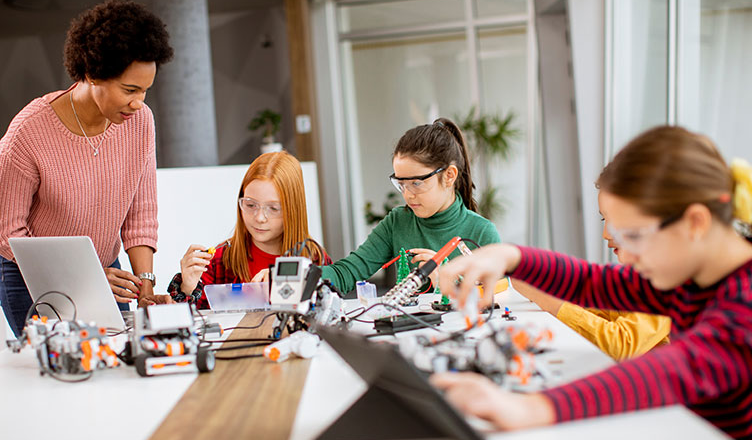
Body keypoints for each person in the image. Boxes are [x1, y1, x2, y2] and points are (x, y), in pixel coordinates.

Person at [433, 126, 752, 440]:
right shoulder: (690, 277)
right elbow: (593, 282)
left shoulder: (745, 305)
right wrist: (512, 256)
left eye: (635, 236)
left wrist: (531, 407)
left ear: (695, 223)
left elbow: (672, 371)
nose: (624, 250)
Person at [0, 0, 174, 337]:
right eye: (129, 89)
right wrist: (82, 275)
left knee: (115, 368)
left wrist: (145, 286)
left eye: (146, 90)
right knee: (60, 376)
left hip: (105, 270)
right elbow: (3, 233)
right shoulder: (28, 132)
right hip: (32, 277)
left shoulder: (140, 122)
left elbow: (140, 214)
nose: (139, 102)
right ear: (92, 73)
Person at [321, 118, 501, 295]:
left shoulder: (482, 233)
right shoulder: (397, 222)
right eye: (401, 184)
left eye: (416, 183)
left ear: (449, 176)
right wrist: (303, 278)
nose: (407, 195)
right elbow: (347, 273)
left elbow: (500, 297)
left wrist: (448, 283)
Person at [511, 189, 671, 361]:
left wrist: (550, 302)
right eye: (604, 219)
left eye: (616, 219)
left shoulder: (667, 279)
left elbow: (621, 344)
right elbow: (604, 313)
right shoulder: (636, 276)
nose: (606, 234)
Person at [168, 151, 330, 308]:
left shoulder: (315, 259)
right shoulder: (219, 261)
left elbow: (328, 314)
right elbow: (188, 322)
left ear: (294, 210)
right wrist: (187, 287)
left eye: (273, 208)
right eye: (250, 205)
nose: (259, 217)